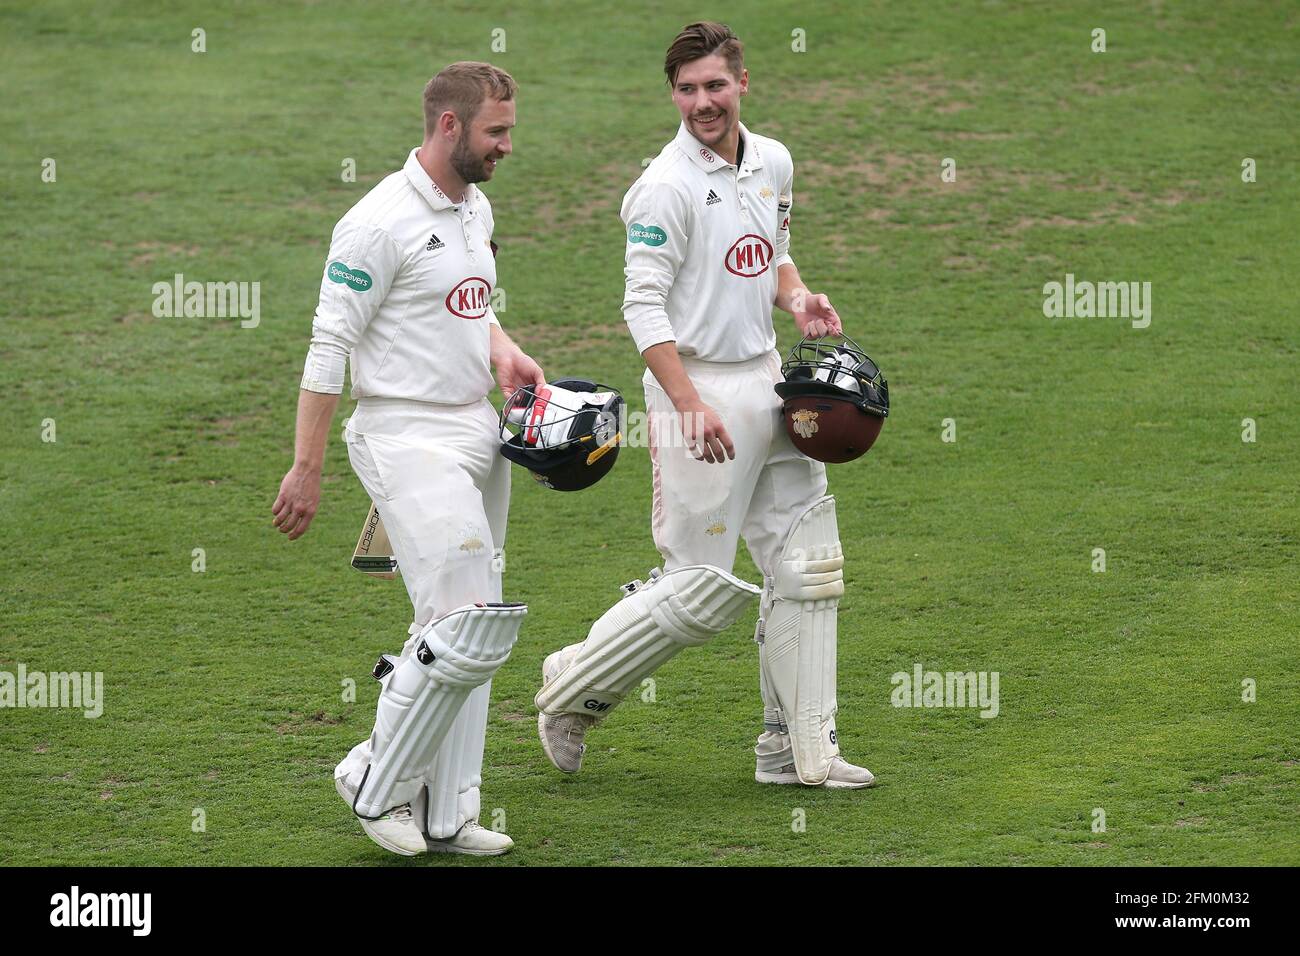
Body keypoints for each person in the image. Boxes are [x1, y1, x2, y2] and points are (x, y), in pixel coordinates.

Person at [533, 22, 875, 790]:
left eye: (713, 85)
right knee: (696, 590)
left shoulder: (773, 161)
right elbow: (643, 307)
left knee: (808, 564)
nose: (701, 103)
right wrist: (685, 403)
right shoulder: (664, 188)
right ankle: (571, 689)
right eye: (686, 90)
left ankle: (794, 748)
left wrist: (799, 300)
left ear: (742, 83)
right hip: (694, 391)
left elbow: (773, 252)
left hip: (767, 378)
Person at [272, 62, 546, 856]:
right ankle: (371, 775)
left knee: (476, 624)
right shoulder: (376, 223)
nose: (506, 146)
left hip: (477, 429)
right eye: (496, 132)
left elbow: (470, 303)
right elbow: (330, 346)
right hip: (403, 435)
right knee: (461, 616)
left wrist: (504, 349)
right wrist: (307, 467)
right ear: (450, 126)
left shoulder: (474, 204)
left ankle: (448, 809)